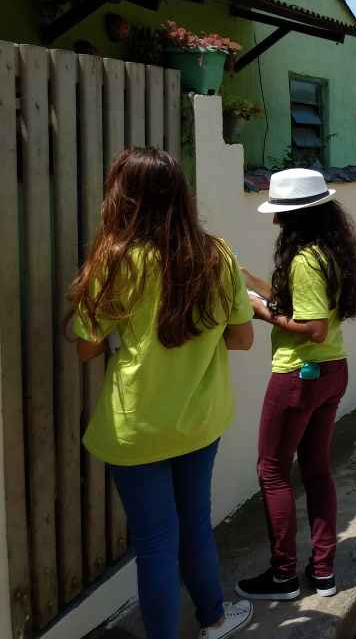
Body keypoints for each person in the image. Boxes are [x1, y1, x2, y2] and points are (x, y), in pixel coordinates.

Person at [70, 147, 255, 639]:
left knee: (155, 541)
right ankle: (213, 619)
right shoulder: (218, 255)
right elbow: (242, 338)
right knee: (194, 524)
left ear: (122, 198)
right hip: (199, 421)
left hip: (137, 428)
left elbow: (86, 348)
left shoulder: (115, 261)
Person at [237, 169, 356, 602]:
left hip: (299, 374)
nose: (275, 221)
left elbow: (311, 326)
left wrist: (261, 313)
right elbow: (297, 298)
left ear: (298, 217)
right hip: (332, 371)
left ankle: (283, 576)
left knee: (272, 470)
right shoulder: (329, 252)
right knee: (315, 469)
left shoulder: (304, 259)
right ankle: (324, 571)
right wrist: (251, 282)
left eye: (280, 214)